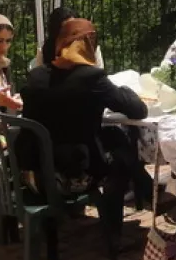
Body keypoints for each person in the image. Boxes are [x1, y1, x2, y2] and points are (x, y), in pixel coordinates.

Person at [20, 18, 150, 211]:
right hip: (72, 179)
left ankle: (145, 187)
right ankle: (115, 229)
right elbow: (138, 110)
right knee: (119, 149)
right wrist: (126, 90)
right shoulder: (91, 78)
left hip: (33, 175)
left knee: (112, 135)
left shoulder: (35, 76)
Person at [36, 7, 104, 69]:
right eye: (66, 30)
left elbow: (99, 74)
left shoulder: (91, 48)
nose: (71, 34)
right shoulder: (43, 53)